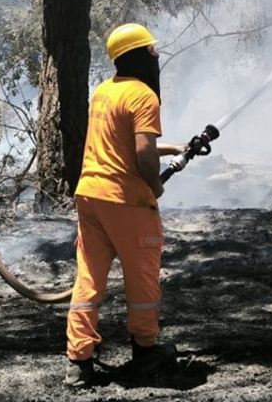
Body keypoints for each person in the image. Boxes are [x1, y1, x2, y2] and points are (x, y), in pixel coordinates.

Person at [65, 23, 184, 387]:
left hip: (91, 194)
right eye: (152, 50)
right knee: (142, 276)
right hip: (126, 201)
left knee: (89, 276)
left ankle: (78, 362)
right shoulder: (143, 96)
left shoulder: (104, 91)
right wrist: (154, 185)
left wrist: (173, 147)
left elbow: (118, 142)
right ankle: (146, 351)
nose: (156, 56)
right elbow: (143, 155)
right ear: (141, 54)